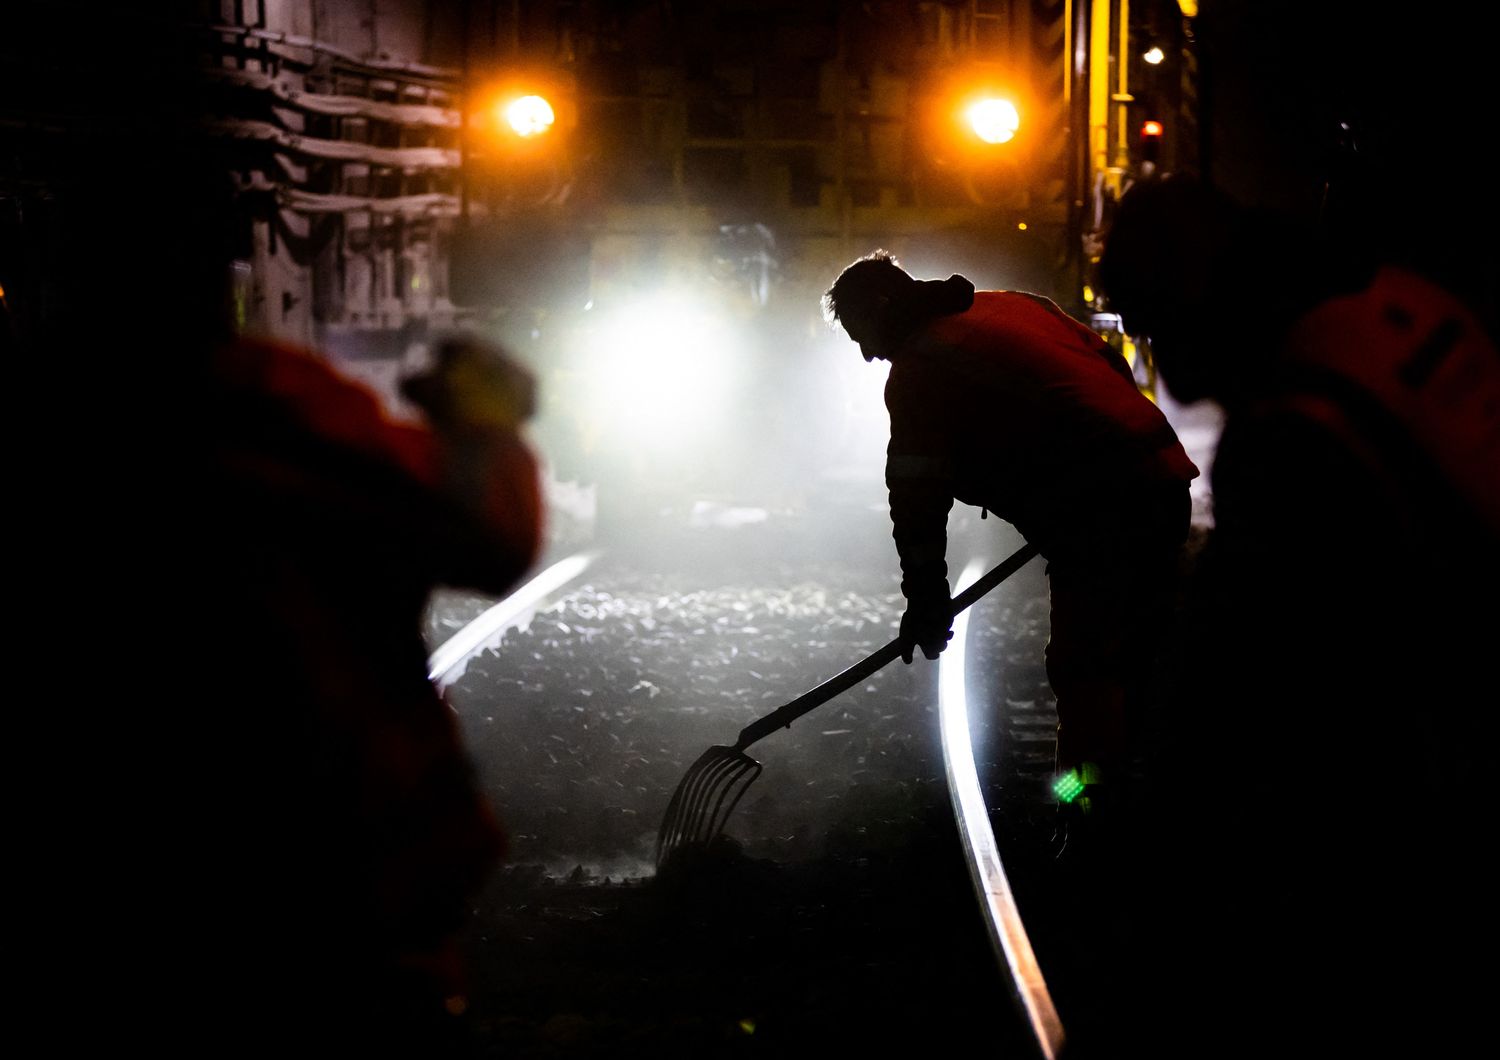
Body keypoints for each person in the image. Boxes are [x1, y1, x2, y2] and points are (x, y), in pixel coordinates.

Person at [1098, 173, 1500, 1056]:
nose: (1169, 361)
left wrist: (1148, 864)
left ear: (1206, 298)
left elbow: (1259, 702)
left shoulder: (1297, 433)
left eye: (1158, 322)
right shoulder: (1404, 304)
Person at [821, 251, 1199, 823]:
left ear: (882, 307)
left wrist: (926, 601)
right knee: (1142, 658)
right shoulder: (1015, 306)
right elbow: (1109, 367)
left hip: (1104, 510)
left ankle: (1086, 809)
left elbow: (917, 501)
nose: (869, 352)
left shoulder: (920, 371)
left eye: (861, 335)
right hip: (1162, 479)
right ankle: (1155, 803)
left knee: (1084, 672)